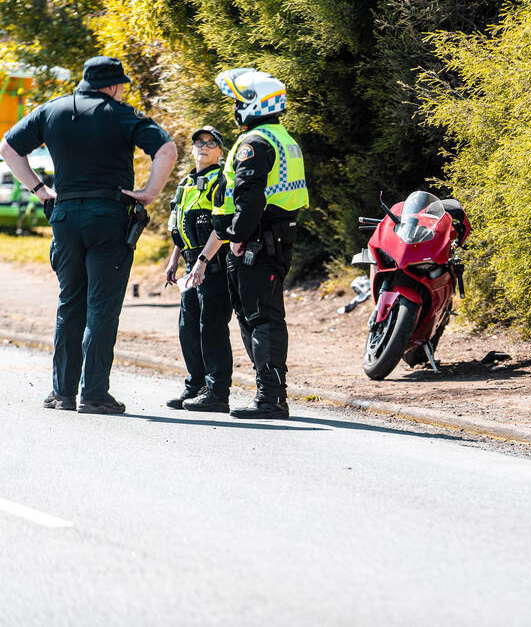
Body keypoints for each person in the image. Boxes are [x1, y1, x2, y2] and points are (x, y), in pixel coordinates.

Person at [0, 56, 176, 415]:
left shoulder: (51, 111)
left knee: (70, 302)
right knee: (102, 307)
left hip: (64, 215)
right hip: (109, 216)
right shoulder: (122, 113)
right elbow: (166, 149)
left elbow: (8, 148)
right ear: (111, 86)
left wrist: (39, 190)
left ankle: (61, 393)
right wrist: (150, 192)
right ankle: (94, 393)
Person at [188, 68, 307, 420]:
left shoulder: (254, 143)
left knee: (261, 317)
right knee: (254, 314)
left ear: (253, 104)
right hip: (273, 236)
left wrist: (238, 237)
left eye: (239, 101)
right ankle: (268, 394)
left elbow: (250, 198)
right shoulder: (283, 137)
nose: (235, 108)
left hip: (258, 241)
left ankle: (271, 398)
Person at [163, 126, 233, 412]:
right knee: (187, 326)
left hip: (213, 263)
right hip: (192, 264)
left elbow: (222, 227)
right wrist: (173, 260)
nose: (203, 147)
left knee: (212, 327)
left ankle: (217, 392)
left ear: (220, 151)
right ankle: (195, 385)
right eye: (198, 143)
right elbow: (181, 224)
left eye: (210, 143)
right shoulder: (187, 182)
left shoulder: (221, 180)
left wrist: (203, 262)